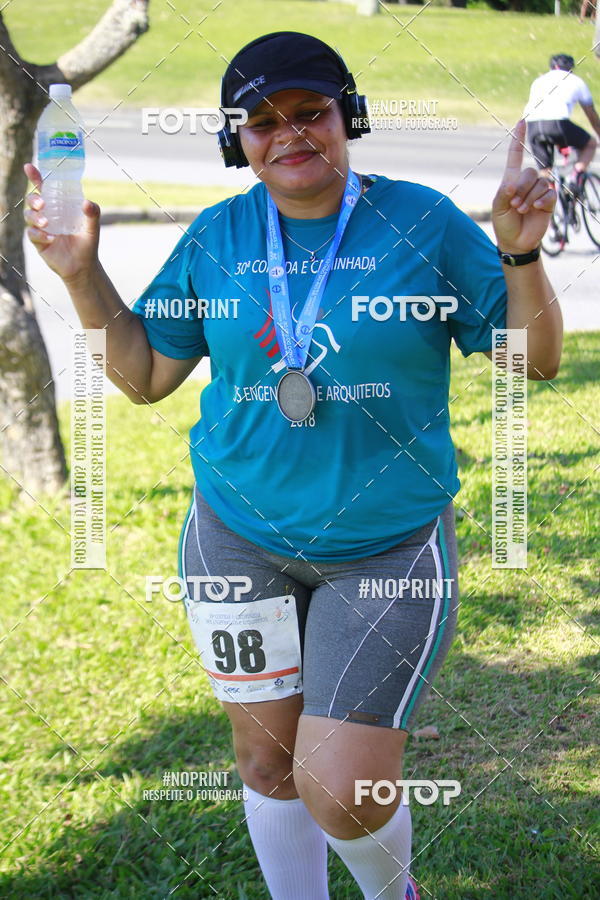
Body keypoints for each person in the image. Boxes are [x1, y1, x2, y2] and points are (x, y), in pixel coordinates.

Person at [25, 31, 562, 900]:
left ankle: (395, 895)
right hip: (236, 538)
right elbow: (143, 376)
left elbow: (533, 360)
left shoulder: (420, 221)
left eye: (310, 112)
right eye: (262, 122)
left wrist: (521, 252)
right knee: (268, 761)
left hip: (384, 546)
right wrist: (83, 275)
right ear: (237, 140)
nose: (289, 135)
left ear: (346, 116)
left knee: (341, 785)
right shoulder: (217, 234)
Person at [524, 53, 600, 190]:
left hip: (533, 125)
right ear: (571, 67)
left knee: (545, 172)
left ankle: (550, 204)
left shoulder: (539, 80)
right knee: (591, 143)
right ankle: (575, 176)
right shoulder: (575, 80)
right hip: (557, 123)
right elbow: (591, 114)